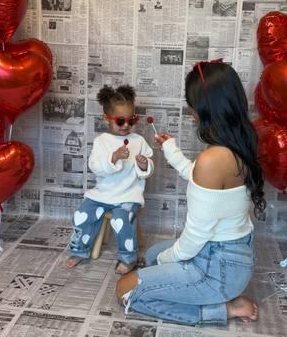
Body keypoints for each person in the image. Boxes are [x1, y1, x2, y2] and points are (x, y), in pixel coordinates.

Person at [116, 60, 266, 324]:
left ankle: (225, 309)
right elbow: (201, 178)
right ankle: (210, 291)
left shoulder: (212, 160)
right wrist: (171, 150)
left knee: (125, 288)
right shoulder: (237, 145)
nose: (190, 110)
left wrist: (167, 258)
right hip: (231, 256)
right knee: (150, 257)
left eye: (191, 105)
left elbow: (195, 236)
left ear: (201, 110)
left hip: (215, 268)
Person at [66, 85, 154, 274]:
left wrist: (144, 164)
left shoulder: (138, 141)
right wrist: (112, 158)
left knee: (121, 220)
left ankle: (128, 257)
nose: (126, 126)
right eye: (120, 121)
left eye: (131, 121)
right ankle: (79, 250)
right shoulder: (102, 142)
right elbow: (95, 167)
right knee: (82, 215)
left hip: (128, 196)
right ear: (107, 118)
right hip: (102, 195)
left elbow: (147, 169)